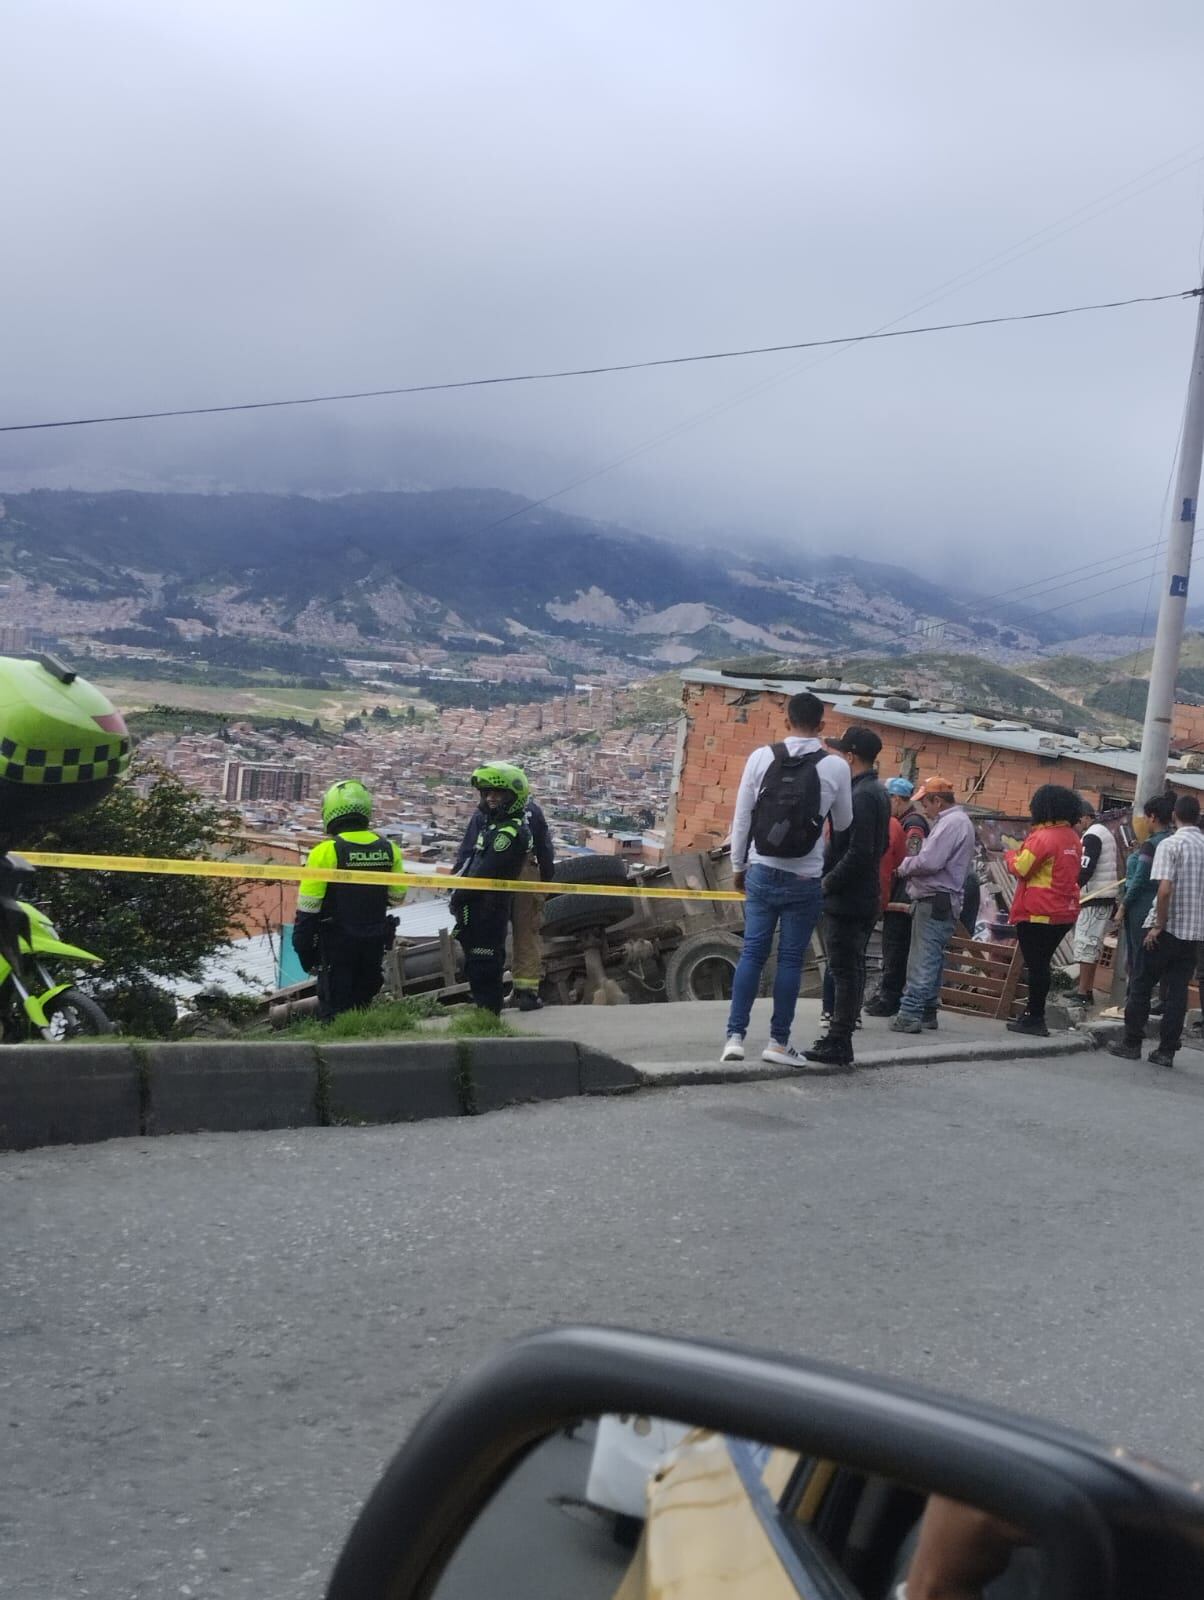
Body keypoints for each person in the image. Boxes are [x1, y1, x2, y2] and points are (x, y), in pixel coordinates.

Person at [722, 692, 853, 1067]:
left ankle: (734, 1036)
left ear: (785, 720)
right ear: (823, 727)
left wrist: (738, 867)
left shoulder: (761, 757)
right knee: (791, 960)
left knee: (752, 952)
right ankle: (778, 1042)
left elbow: (742, 818)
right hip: (805, 877)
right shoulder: (837, 766)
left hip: (761, 869)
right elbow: (843, 823)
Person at [805, 726, 889, 1067]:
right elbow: (876, 848)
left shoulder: (861, 796)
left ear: (851, 756)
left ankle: (839, 1039)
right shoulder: (876, 792)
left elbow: (859, 851)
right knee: (850, 967)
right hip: (862, 895)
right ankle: (840, 1036)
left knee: (844, 968)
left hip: (849, 898)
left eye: (842, 753)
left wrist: (826, 883)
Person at [292, 780, 405, 1022]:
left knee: (334, 1014)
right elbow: (396, 898)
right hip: (373, 944)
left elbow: (308, 911)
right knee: (362, 1010)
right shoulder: (390, 850)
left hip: (336, 948)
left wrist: (304, 953)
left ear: (330, 811)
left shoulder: (326, 851)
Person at [1107, 792, 1204, 1068]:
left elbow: (1164, 890)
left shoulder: (1169, 845)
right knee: (1177, 994)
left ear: (1175, 815)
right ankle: (1166, 1051)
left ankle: (1132, 1042)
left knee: (1141, 984)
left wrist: (1158, 926)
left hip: (1166, 929)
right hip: (1193, 935)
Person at [454, 772, 556, 1011]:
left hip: (490, 874)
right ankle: (526, 993)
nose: (491, 797)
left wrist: (460, 885)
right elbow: (545, 851)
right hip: (525, 875)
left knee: (488, 932)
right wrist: (544, 883)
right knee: (526, 932)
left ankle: (489, 993)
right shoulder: (532, 812)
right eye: (488, 792)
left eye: (496, 792)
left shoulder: (483, 814)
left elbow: (468, 852)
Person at [890, 777, 976, 1035]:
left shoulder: (951, 823)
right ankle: (927, 1011)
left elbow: (929, 861)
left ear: (937, 801)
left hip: (935, 897)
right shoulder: (956, 822)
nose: (923, 809)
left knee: (923, 958)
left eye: (925, 802)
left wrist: (902, 867)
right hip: (942, 899)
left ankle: (910, 1014)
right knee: (933, 957)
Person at [1004, 783, 1084, 1037]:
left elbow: (1021, 868)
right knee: (1042, 964)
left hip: (1038, 912)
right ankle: (1033, 1015)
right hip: (1064, 911)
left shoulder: (1043, 837)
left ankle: (1035, 1017)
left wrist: (1010, 855)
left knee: (1036, 966)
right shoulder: (1072, 837)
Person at [864, 778, 930, 1017]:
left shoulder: (912, 824)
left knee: (896, 949)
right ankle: (887, 995)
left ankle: (890, 998)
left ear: (897, 799)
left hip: (903, 898)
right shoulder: (902, 821)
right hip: (896, 895)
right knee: (891, 948)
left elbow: (910, 859)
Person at [1113, 793, 1174, 978]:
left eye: (1146, 817)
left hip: (1142, 907)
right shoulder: (1171, 840)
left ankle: (1133, 1004)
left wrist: (1123, 906)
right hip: (1162, 908)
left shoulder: (1152, 844)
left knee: (1137, 961)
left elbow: (1139, 879)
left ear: (1153, 817)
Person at [1066, 804, 1119, 1016]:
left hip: (1094, 897)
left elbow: (1086, 868)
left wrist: (1072, 890)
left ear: (1086, 818)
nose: (1078, 826)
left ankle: (1082, 993)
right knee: (1093, 947)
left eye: (1079, 821)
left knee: (1086, 945)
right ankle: (1086, 990)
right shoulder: (1103, 832)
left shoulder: (1092, 836)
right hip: (1102, 897)